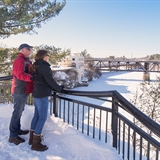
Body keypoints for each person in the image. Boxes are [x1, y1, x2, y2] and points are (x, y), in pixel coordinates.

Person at [29, 50, 64, 151]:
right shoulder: (44, 66)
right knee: (42, 118)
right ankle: (36, 143)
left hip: (36, 94)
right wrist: (60, 89)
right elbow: (50, 81)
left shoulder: (36, 65)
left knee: (36, 116)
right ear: (44, 56)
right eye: (48, 55)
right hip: (42, 95)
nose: (48, 56)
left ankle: (32, 139)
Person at [9, 43, 34, 145]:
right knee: (17, 113)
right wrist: (32, 78)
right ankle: (13, 136)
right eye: (28, 49)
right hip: (19, 90)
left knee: (20, 111)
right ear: (22, 50)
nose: (30, 51)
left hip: (24, 89)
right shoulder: (19, 60)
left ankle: (17, 130)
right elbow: (19, 75)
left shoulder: (26, 60)